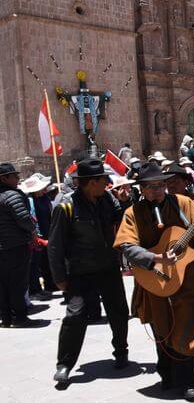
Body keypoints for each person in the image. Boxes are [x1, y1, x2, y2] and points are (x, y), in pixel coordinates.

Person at [115, 163, 194, 402]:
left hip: (189, 281)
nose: (158, 191)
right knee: (162, 329)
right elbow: (127, 246)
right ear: (141, 189)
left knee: (188, 329)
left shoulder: (184, 204)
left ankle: (188, 381)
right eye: (151, 187)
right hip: (156, 279)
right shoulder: (133, 213)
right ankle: (168, 375)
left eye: (161, 185)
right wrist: (154, 258)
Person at [48, 159, 129, 385]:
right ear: (91, 183)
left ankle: (121, 352)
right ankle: (64, 364)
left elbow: (119, 220)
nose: (107, 183)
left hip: (108, 267)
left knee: (119, 311)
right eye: (104, 179)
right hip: (80, 271)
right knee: (75, 315)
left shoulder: (107, 199)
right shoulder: (66, 206)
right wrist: (59, 278)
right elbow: (55, 246)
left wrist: (124, 203)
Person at [0, 163, 37, 327]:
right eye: (14, 176)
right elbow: (24, 220)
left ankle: (6, 317)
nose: (18, 178)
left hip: (3, 248)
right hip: (15, 247)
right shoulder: (12, 196)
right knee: (17, 283)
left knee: (3, 284)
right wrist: (32, 228)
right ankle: (19, 317)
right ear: (4, 178)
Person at [20, 173, 57, 300]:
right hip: (37, 236)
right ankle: (34, 290)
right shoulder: (30, 201)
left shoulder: (44, 199)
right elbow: (32, 218)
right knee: (35, 264)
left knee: (46, 261)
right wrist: (36, 235)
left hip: (47, 233)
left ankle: (49, 285)